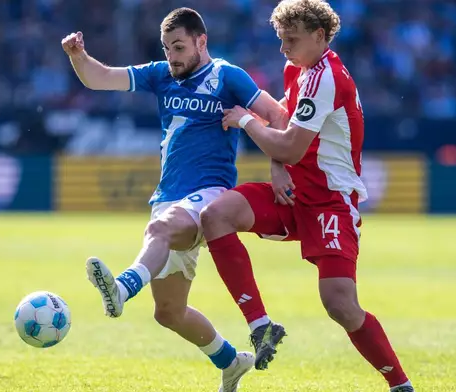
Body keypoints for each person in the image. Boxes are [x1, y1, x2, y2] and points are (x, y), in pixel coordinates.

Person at [61, 7, 287, 392]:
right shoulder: (162, 74)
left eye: (179, 47)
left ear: (202, 41)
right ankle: (231, 362)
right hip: (168, 197)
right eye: (167, 48)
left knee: (160, 229)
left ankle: (121, 288)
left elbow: (278, 115)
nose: (172, 56)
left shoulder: (227, 76)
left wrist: (278, 166)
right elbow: (100, 78)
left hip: (211, 194)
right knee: (169, 312)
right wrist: (77, 57)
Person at [200, 1, 415, 391]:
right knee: (216, 216)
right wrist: (277, 167)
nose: (283, 48)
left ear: (319, 36)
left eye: (291, 40)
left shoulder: (328, 77)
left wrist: (246, 119)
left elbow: (290, 145)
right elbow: (285, 128)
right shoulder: (298, 69)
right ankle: (261, 326)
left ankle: (400, 384)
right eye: (281, 39)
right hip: (293, 193)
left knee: (340, 304)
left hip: (331, 201)